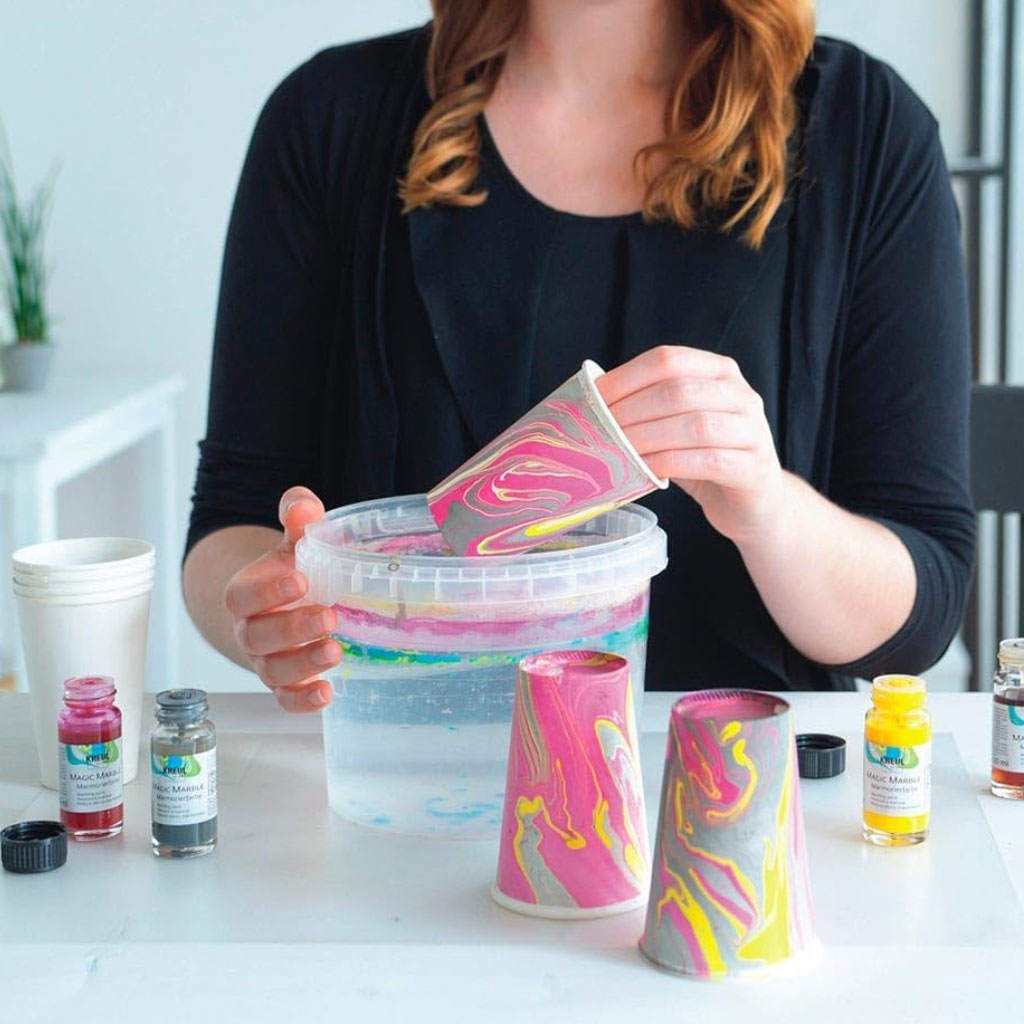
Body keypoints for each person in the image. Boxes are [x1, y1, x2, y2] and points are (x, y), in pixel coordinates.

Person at [183, 0, 975, 713]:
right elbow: (229, 528)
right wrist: (274, 612)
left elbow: (920, 613)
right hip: (411, 768)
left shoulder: (867, 131)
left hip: (739, 794)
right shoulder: (329, 117)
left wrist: (770, 510)